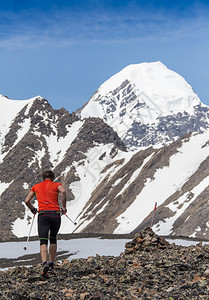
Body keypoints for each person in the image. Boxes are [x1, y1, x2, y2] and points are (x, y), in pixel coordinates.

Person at [25, 170, 66, 278]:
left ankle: (44, 264)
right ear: (53, 178)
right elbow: (63, 191)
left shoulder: (36, 187)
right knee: (53, 238)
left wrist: (33, 209)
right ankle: (51, 265)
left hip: (43, 215)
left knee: (43, 241)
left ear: (43, 178)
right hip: (55, 214)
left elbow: (26, 200)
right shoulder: (57, 185)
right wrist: (64, 207)